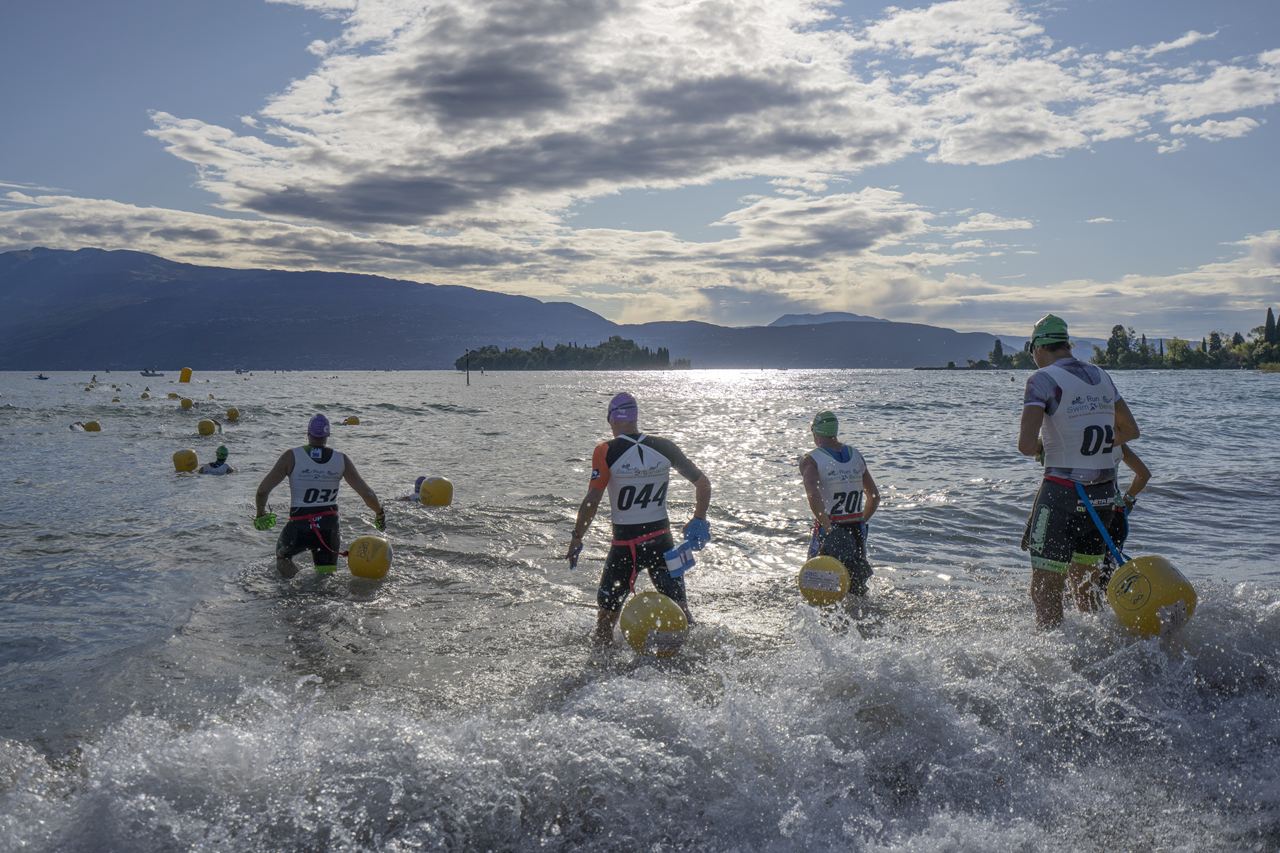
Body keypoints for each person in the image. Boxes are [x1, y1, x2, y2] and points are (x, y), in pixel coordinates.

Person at [1018, 314, 1140, 628]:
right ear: (1067, 344)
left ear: (1039, 347)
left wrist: (1050, 447)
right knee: (1086, 589)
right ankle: (1100, 651)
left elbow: (1026, 445)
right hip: (1101, 498)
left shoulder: (1042, 379)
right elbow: (1130, 429)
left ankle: (1051, 661)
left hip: (1062, 495)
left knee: (1046, 591)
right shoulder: (1101, 375)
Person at [566, 392, 712, 645]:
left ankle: (601, 673)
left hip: (624, 548)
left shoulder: (605, 451)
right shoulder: (664, 446)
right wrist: (698, 518)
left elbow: (592, 499)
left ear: (611, 420)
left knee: (604, 625)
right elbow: (703, 483)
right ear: (635, 417)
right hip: (663, 544)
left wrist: (577, 537)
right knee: (683, 614)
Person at [254, 414, 386, 578]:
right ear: (327, 435)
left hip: (299, 525)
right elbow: (367, 493)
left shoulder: (291, 456)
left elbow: (262, 491)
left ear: (308, 433)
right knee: (325, 577)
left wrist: (260, 512)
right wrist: (379, 513)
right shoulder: (341, 459)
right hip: (329, 527)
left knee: (282, 558)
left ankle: (297, 589)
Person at [799, 410, 880, 597]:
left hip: (830, 528)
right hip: (856, 530)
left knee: (818, 587)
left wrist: (827, 528)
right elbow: (874, 496)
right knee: (857, 588)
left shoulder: (810, 460)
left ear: (815, 431)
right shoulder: (856, 455)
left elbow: (813, 495)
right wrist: (862, 522)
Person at [1096, 444, 1151, 590]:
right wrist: (1128, 499)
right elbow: (1144, 475)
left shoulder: (1075, 437)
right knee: (1104, 581)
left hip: (1090, 514)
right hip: (1117, 516)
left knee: (1081, 581)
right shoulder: (1117, 441)